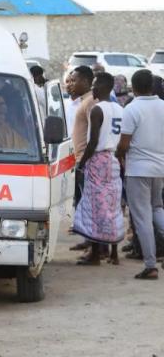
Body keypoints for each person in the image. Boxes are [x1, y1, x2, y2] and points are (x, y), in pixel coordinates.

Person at [116, 69, 164, 280]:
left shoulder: (132, 109)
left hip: (137, 170)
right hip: (159, 168)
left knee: (142, 216)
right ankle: (151, 262)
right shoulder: (163, 106)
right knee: (157, 208)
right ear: (152, 87)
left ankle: (150, 265)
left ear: (133, 88)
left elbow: (124, 143)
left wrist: (119, 155)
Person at [73, 73, 124, 265]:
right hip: (113, 160)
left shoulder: (97, 110)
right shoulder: (120, 109)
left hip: (97, 160)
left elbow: (93, 142)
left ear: (102, 87)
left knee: (94, 207)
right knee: (112, 205)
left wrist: (82, 163)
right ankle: (114, 253)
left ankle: (95, 255)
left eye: (94, 85)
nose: (92, 89)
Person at [68, 66, 99, 255]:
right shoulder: (80, 102)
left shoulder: (91, 102)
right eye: (70, 80)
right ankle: (88, 239)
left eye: (74, 80)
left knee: (88, 203)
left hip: (86, 159)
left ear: (86, 82)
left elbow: (93, 135)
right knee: (81, 201)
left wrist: (84, 159)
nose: (70, 84)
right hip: (76, 157)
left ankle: (95, 245)